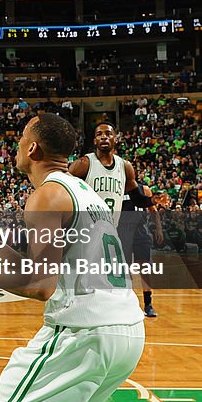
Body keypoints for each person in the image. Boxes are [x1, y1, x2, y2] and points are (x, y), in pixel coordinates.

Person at [0, 114, 146, 402]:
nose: (17, 144)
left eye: (21, 136)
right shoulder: (84, 192)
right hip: (127, 332)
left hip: (85, 331)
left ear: (32, 148)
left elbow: (40, 286)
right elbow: (52, 261)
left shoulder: (47, 195)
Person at [68, 122, 162, 317]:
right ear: (94, 140)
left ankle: (111, 312)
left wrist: (152, 200)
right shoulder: (85, 163)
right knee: (82, 276)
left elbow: (136, 198)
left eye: (108, 134)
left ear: (115, 139)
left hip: (111, 231)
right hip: (86, 229)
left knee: (109, 278)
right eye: (99, 134)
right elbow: (64, 188)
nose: (104, 137)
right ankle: (73, 311)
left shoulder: (125, 167)